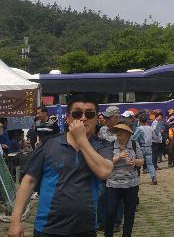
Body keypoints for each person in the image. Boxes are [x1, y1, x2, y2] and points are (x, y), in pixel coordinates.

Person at [7, 94, 113, 237]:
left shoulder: (102, 146)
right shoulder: (48, 144)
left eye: (89, 114)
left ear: (96, 119)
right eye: (77, 113)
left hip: (85, 228)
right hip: (48, 228)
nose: (83, 118)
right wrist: (15, 221)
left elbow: (104, 172)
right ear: (68, 117)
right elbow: (29, 181)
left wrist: (81, 140)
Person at [104, 123, 143, 237]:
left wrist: (135, 162)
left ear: (128, 134)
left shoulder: (135, 145)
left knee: (129, 214)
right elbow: (106, 163)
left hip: (131, 184)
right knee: (110, 212)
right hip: (113, 184)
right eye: (117, 131)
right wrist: (118, 157)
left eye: (122, 131)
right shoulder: (111, 145)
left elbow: (141, 161)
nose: (119, 133)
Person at [136, 114, 158, 185]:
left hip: (141, 147)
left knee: (138, 164)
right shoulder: (150, 128)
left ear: (139, 120)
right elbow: (154, 137)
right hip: (149, 147)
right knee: (150, 164)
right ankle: (153, 177)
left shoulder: (139, 129)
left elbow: (134, 138)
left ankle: (137, 179)